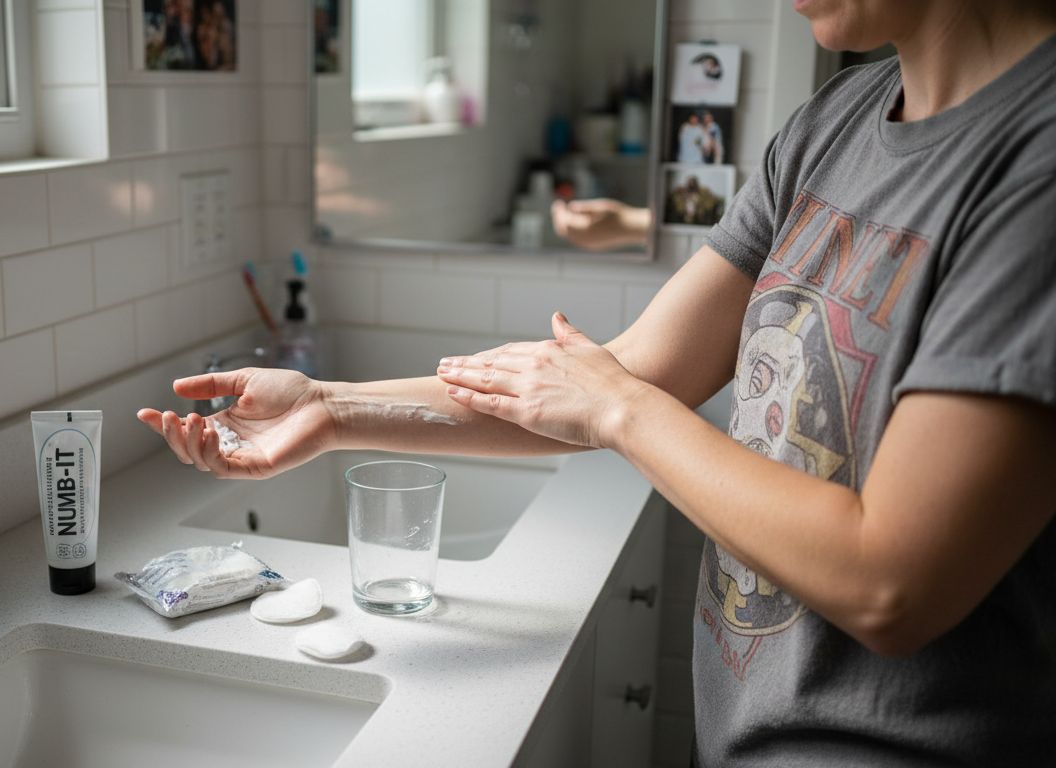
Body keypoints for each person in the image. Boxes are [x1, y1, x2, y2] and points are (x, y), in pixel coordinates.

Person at [140, 1, 1056, 764]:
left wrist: (619, 410)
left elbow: (890, 582)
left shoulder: (1036, 158)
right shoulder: (836, 123)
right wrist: (331, 407)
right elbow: (625, 375)